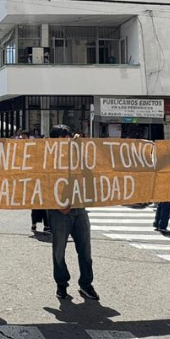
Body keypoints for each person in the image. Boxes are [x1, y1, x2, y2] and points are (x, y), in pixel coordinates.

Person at [46, 125, 99, 301]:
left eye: (68, 138)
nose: (66, 142)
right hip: (59, 211)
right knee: (59, 251)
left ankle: (86, 284)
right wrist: (57, 204)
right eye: (62, 139)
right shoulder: (47, 158)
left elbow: (89, 171)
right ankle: (61, 284)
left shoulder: (76, 154)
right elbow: (41, 183)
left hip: (79, 208)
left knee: (85, 251)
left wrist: (79, 147)